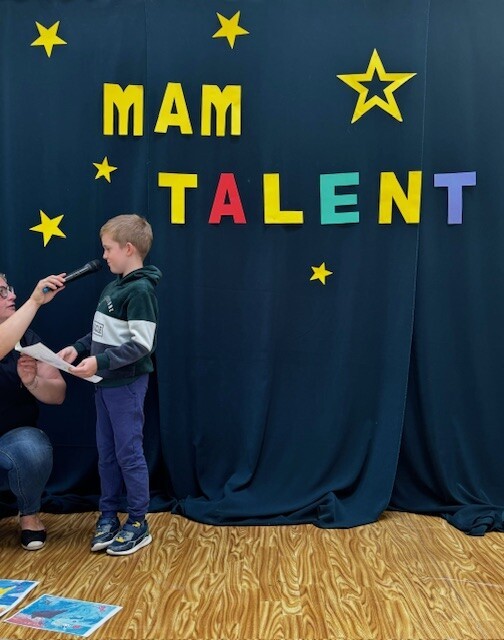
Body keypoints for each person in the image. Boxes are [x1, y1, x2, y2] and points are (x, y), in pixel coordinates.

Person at [59, 214, 161, 556]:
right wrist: (79, 347)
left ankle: (138, 520)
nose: (103, 256)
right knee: (106, 453)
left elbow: (142, 344)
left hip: (126, 385)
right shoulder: (113, 286)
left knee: (128, 453)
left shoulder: (141, 291)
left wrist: (99, 362)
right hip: (103, 384)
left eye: (107, 249)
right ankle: (108, 514)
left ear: (128, 248)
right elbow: (102, 332)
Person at [0, 272, 66, 550]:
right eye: (2, 292)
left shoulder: (27, 339)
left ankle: (29, 515)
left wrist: (33, 382)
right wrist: (35, 300)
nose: (12, 296)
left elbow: (58, 393)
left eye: (9, 289)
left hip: (12, 438)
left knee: (32, 448)